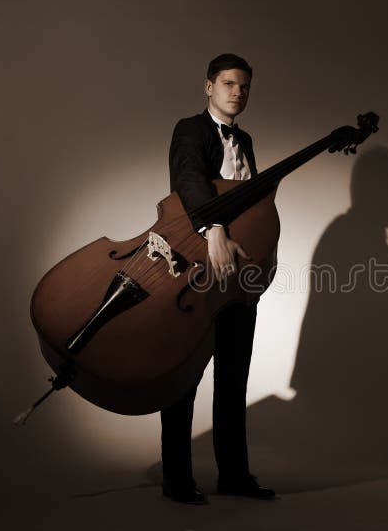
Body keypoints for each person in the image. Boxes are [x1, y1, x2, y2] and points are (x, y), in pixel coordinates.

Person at [161, 53, 276, 505]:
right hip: (197, 263)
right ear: (208, 86)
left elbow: (247, 203)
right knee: (185, 373)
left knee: (234, 375)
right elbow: (190, 181)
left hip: (239, 273)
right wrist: (213, 229)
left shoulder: (245, 138)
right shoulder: (189, 130)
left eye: (245, 86)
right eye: (229, 83)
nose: (237, 92)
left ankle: (234, 474)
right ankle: (176, 478)